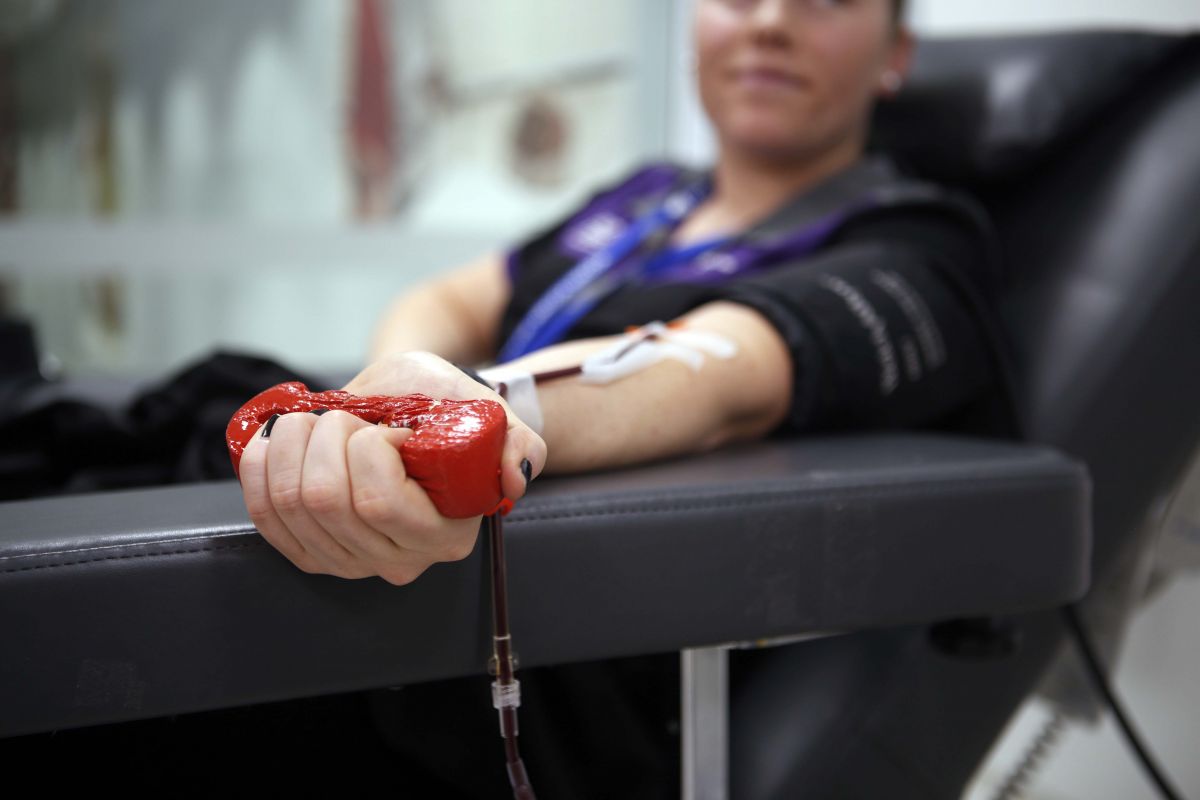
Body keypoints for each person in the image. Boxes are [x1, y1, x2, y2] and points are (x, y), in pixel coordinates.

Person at [237, 0, 1021, 796]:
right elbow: (451, 301)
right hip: (429, 559)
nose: (770, 23)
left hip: (550, 660)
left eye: (824, 1)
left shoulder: (918, 247)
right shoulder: (648, 198)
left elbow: (718, 376)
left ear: (897, 54)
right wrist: (386, 401)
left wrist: (461, 419)